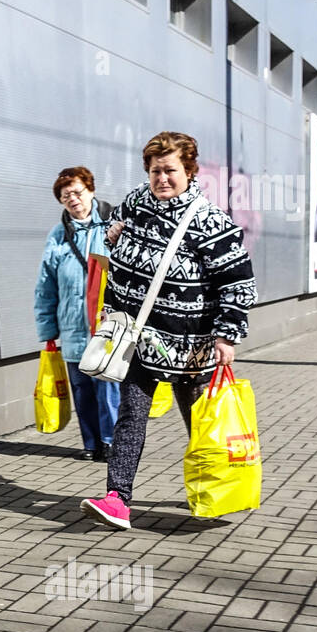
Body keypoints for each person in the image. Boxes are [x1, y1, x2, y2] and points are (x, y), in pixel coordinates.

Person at [81, 132, 256, 530]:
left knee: (201, 424)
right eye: (156, 170)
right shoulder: (135, 203)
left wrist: (227, 336)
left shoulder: (210, 222)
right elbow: (111, 227)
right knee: (130, 416)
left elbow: (238, 283)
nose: (162, 178)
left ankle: (218, 490)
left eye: (170, 171)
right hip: (137, 339)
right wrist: (111, 235)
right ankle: (117, 499)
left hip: (189, 344)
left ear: (189, 171)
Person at [34, 167, 120, 460]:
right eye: (65, 195)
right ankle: (91, 443)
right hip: (72, 326)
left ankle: (111, 441)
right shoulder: (58, 235)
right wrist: (48, 332)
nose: (72, 199)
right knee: (82, 390)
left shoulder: (112, 224)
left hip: (105, 325)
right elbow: (46, 285)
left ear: (91, 191)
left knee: (107, 388)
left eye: (77, 192)